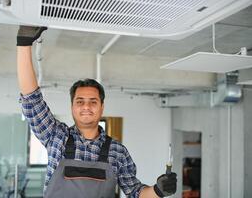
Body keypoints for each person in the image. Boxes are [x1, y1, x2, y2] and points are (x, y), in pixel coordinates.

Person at [17, 26, 177, 198]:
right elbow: (32, 100)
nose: (86, 107)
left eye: (93, 102)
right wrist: (24, 43)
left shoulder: (117, 151)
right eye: (80, 101)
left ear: (102, 107)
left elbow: (136, 193)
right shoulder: (56, 137)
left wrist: (158, 190)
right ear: (72, 107)